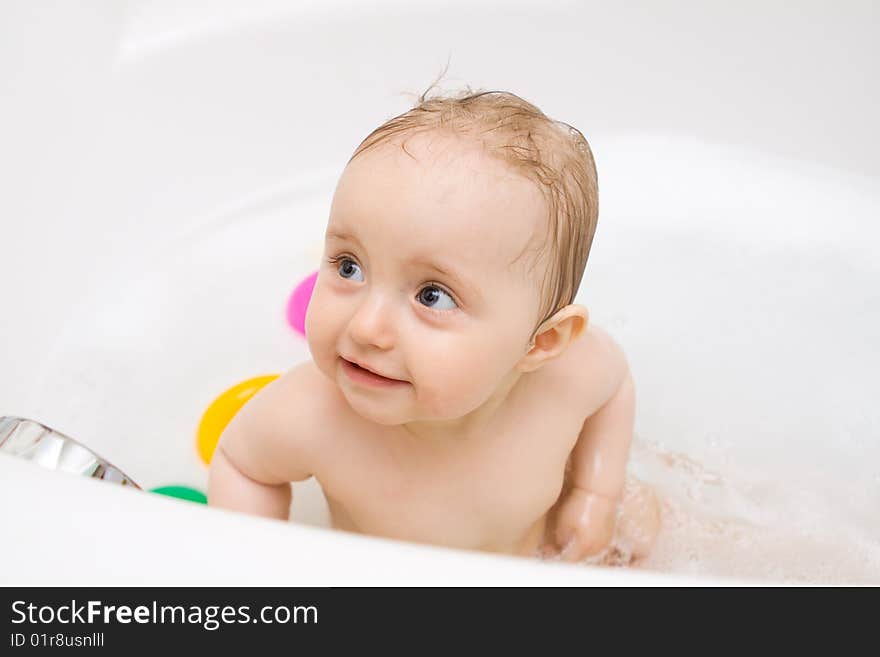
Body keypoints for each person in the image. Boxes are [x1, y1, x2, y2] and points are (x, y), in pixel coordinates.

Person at [208, 82, 660, 564]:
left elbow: (614, 387)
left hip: (537, 555)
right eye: (349, 266)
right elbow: (243, 465)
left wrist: (596, 494)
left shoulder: (568, 377)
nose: (365, 328)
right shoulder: (314, 415)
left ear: (541, 342)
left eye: (432, 296)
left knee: (649, 526)